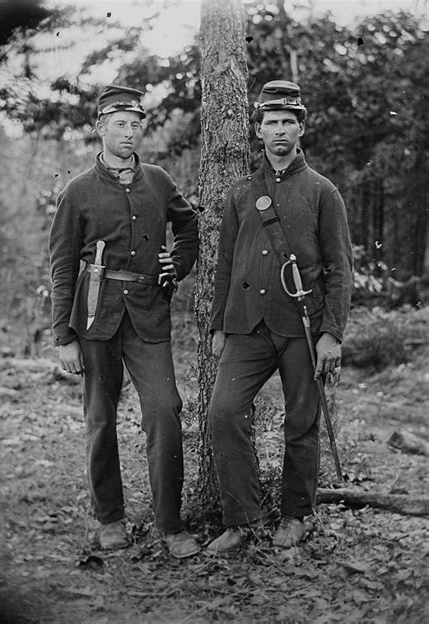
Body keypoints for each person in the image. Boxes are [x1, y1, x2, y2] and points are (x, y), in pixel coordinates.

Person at [49, 84, 200, 559]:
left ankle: (170, 524)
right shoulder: (78, 191)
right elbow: (62, 264)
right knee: (100, 418)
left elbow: (189, 225)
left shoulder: (157, 179)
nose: (130, 133)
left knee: (164, 410)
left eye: (137, 125)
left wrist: (179, 263)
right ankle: (109, 518)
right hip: (94, 317)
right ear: (101, 128)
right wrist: (63, 335)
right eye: (120, 124)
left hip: (149, 314)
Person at [206, 80, 353, 554]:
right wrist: (217, 325)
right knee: (223, 413)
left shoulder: (322, 192)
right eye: (271, 122)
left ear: (302, 129)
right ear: (258, 130)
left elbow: (339, 268)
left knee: (301, 422)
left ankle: (297, 515)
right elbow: (225, 263)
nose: (280, 131)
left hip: (302, 328)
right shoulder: (240, 193)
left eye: (289, 122)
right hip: (247, 324)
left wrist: (331, 333)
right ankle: (241, 519)